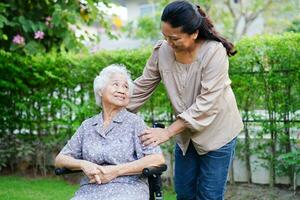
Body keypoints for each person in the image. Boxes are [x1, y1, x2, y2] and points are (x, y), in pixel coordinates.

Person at [127, 1, 244, 200]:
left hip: (218, 133)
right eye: (165, 36)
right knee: (184, 193)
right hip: (186, 136)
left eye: (174, 38)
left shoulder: (214, 52)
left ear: (194, 33)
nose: (169, 43)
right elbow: (143, 85)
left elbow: (207, 103)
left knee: (209, 195)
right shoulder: (162, 51)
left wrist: (167, 132)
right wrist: (114, 108)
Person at [55, 64, 165, 200]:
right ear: (100, 91)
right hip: (90, 190)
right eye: (116, 84)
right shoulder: (88, 126)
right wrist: (83, 164)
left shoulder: (135, 123)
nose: (122, 90)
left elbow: (157, 159)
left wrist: (115, 171)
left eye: (126, 87)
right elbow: (60, 160)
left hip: (127, 189)